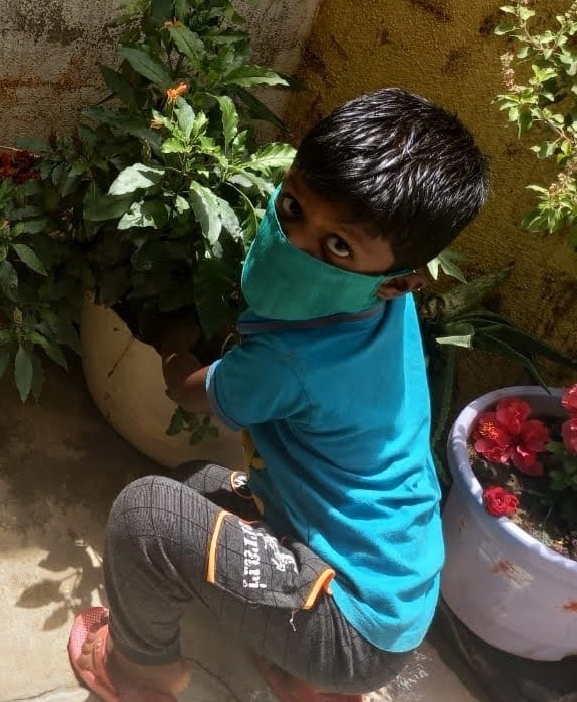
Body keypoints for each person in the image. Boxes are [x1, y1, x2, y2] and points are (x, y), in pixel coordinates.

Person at [68, 88, 490, 701]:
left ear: (397, 282)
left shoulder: (291, 363)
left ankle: (139, 676)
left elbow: (188, 392)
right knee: (194, 483)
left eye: (337, 246)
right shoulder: (378, 305)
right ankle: (305, 678)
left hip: (352, 624)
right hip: (393, 589)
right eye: (291, 206)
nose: (294, 242)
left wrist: (170, 345)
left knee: (147, 517)